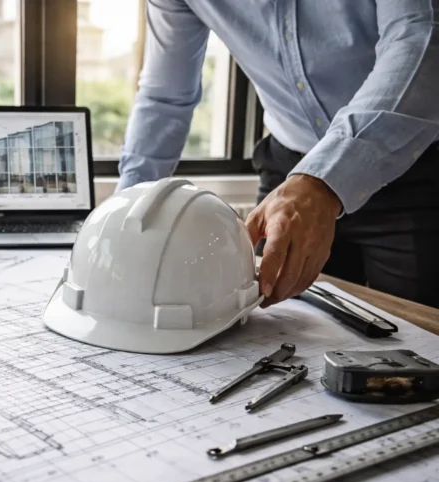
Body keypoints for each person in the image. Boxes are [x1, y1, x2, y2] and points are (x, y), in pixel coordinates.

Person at [118, 0, 439, 308]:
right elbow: (165, 97)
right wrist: (127, 215)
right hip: (289, 174)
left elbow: (420, 39)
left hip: (416, 169)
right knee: (273, 328)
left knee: (422, 343)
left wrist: (324, 180)